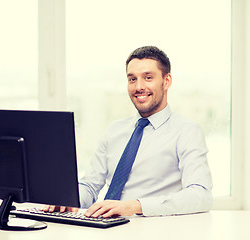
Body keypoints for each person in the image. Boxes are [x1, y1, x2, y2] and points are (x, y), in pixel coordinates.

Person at [44, 46, 213, 217]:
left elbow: (200, 195)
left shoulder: (186, 132)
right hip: (105, 227)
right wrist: (67, 199)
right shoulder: (114, 130)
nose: (139, 86)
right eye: (132, 79)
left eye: (148, 77)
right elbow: (90, 186)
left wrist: (135, 206)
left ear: (166, 81)